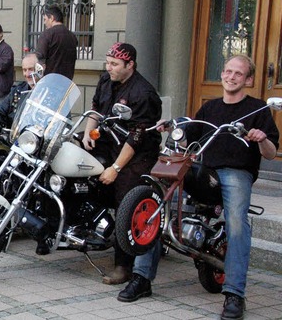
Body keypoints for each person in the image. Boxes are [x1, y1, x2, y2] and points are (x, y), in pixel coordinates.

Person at [117, 55, 279, 320]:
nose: (231, 76)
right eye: (227, 71)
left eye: (238, 73)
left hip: (236, 173)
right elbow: (187, 137)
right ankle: (141, 277)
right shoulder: (209, 109)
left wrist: (261, 139)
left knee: (238, 222)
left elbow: (271, 153)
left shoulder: (258, 110)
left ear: (249, 79)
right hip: (203, 168)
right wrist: (171, 127)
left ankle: (235, 294)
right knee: (161, 200)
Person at [82, 42, 162, 285]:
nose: (110, 68)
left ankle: (123, 266)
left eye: (115, 64)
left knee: (125, 198)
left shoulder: (143, 93)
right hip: (108, 140)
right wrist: (87, 133)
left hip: (137, 153)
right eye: (108, 63)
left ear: (130, 65)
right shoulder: (106, 80)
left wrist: (115, 169)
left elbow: (136, 137)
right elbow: (95, 109)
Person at [0, 53, 39, 129]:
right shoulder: (18, 90)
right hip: (15, 137)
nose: (27, 74)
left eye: (31, 69)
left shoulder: (50, 93)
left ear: (40, 69)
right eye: (24, 70)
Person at [35, 4, 78, 79]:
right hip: (67, 84)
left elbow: (39, 59)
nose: (44, 23)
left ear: (51, 18)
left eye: (45, 19)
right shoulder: (72, 37)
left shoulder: (47, 34)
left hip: (49, 82)